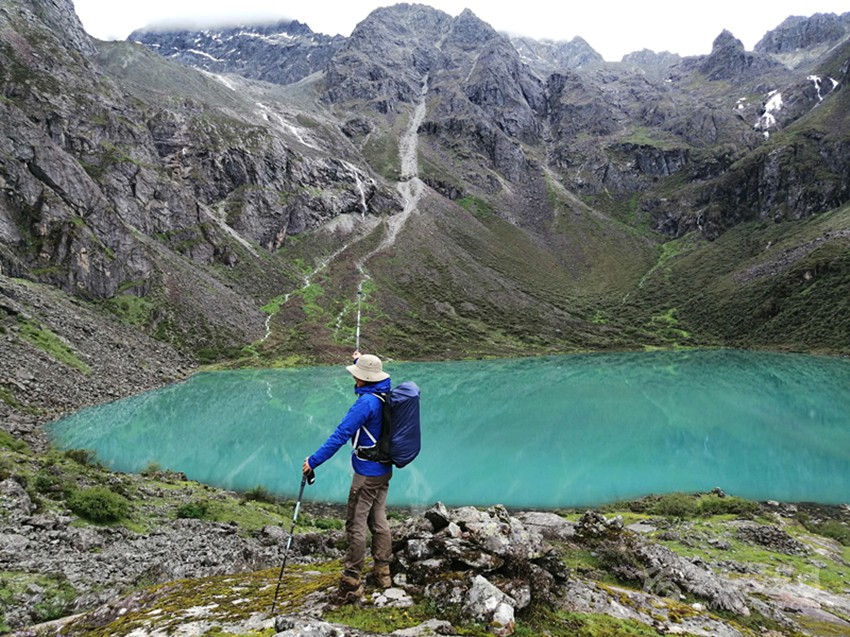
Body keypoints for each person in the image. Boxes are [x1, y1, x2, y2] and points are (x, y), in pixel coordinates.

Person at [302, 351, 393, 604]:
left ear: (364, 379)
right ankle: (383, 573)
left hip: (366, 475)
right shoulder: (385, 392)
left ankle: (351, 583)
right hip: (384, 470)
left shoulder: (365, 404)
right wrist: (359, 360)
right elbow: (369, 374)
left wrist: (313, 461)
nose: (354, 379)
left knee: (355, 524)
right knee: (379, 519)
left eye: (357, 375)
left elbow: (340, 435)